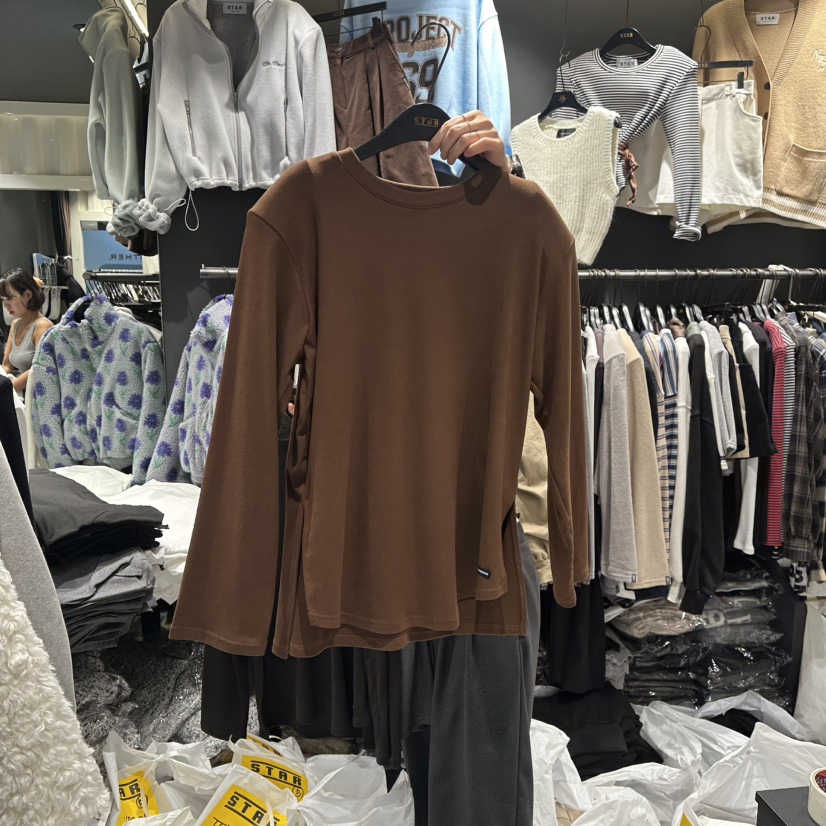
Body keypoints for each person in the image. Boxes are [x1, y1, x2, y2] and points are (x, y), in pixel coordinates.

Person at [0, 269, 54, 394]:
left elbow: (38, 369)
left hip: (37, 396)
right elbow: (7, 365)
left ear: (28, 295)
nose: (6, 305)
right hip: (19, 392)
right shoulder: (15, 324)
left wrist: (7, 389)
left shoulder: (42, 326)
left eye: (9, 298)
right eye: (3, 300)